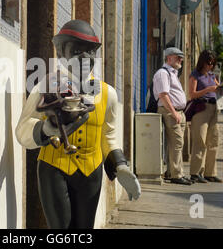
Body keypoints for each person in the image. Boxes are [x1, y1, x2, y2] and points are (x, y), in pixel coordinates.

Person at [16, 19, 141, 229]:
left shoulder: (107, 93)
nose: (85, 57)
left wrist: (121, 166)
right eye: (76, 51)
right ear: (62, 53)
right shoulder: (46, 86)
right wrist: (45, 129)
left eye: (90, 51)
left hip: (91, 171)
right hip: (54, 167)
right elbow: (22, 128)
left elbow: (108, 136)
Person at [153, 47, 191, 185]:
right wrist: (174, 113)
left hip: (178, 112)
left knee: (176, 144)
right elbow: (163, 95)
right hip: (170, 111)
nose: (181, 59)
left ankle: (174, 172)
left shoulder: (173, 73)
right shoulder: (163, 73)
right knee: (177, 143)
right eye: (178, 57)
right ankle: (176, 174)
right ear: (169, 58)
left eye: (181, 57)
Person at [188, 50, 223, 183]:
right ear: (202, 61)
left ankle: (210, 173)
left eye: (212, 64)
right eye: (209, 63)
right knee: (200, 140)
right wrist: (208, 90)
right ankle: (195, 173)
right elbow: (192, 94)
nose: (210, 66)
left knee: (213, 141)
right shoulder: (195, 75)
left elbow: (219, 89)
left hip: (214, 109)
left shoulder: (211, 75)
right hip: (201, 108)